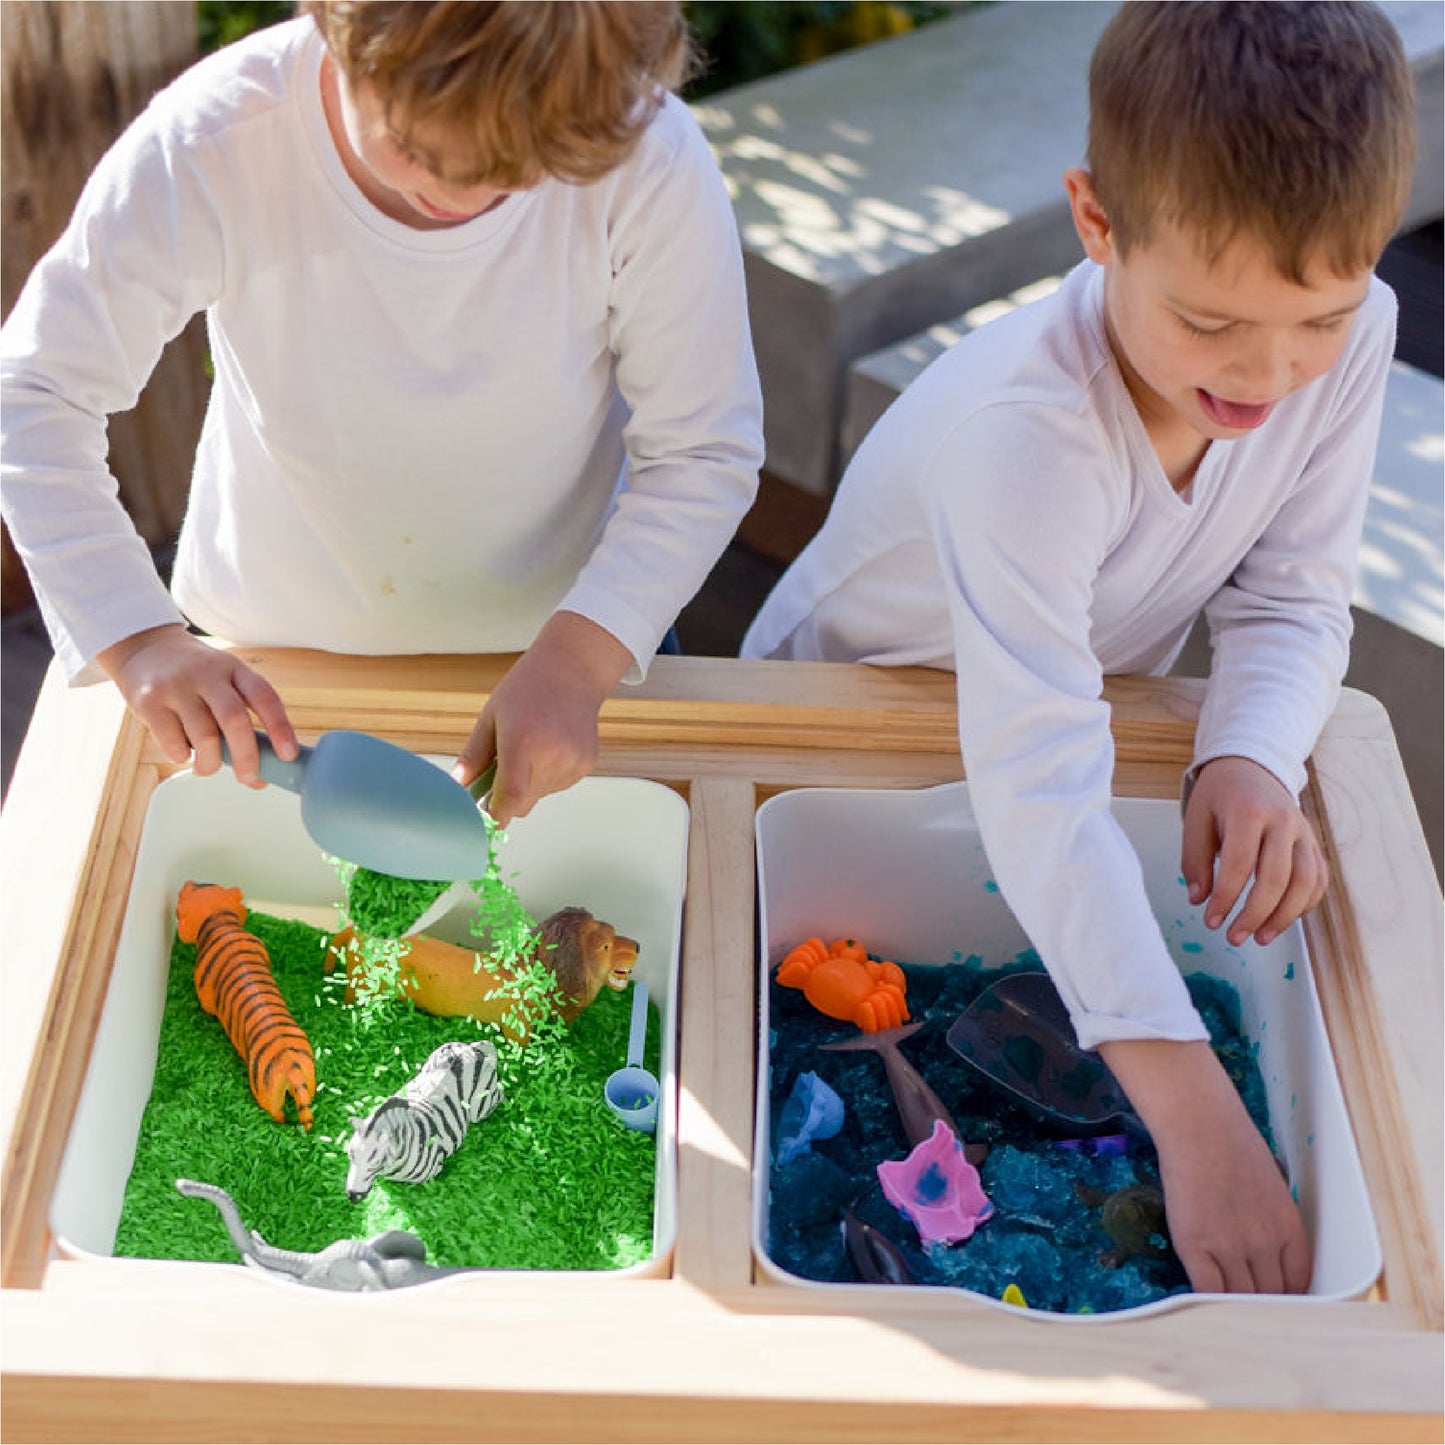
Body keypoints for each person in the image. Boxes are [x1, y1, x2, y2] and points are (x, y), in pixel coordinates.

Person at [743, 1, 1415, 1295]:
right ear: (1096, 221)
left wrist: (1252, 753)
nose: (1270, 373)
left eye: (1316, 319)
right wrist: (1195, 1113)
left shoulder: (1352, 332)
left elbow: (1291, 592)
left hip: (1045, 712)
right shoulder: (1028, 437)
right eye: (1210, 324)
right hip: (834, 722)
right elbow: (1039, 791)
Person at [0, 1, 762, 827]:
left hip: (577, 649)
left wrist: (580, 661)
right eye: (417, 151)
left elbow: (701, 450)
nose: (463, 195)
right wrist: (137, 638)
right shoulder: (217, 140)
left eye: (523, 168)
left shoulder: (644, 155)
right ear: (335, 29)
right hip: (272, 670)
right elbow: (36, 390)